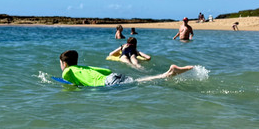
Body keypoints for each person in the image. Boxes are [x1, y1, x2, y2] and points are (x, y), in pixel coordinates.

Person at [58, 50, 192, 86]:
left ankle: (167, 74)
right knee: (138, 81)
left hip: (107, 84)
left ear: (64, 64)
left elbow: (70, 85)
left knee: (140, 82)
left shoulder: (67, 72)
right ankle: (167, 73)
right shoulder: (83, 67)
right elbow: (106, 71)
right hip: (112, 76)